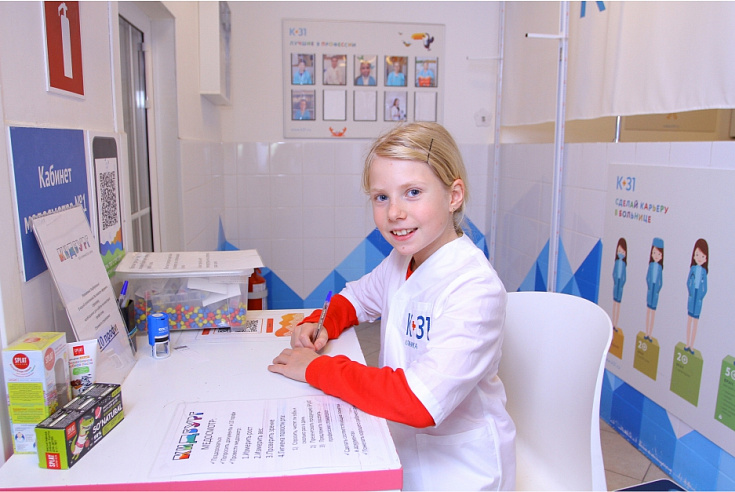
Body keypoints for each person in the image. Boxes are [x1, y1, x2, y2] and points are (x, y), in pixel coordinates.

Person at [268, 122, 516, 491]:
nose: (394, 212)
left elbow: (418, 401)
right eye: (381, 197)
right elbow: (355, 298)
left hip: (461, 471)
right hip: (399, 445)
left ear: (454, 195)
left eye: (413, 192)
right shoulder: (402, 259)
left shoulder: (474, 289)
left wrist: (317, 368)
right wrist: (321, 324)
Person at [685, 238, 708, 354]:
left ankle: (692, 346)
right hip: (692, 296)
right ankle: (687, 344)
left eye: (702, 256)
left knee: (695, 322)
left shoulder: (704, 272)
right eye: (697, 254)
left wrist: (700, 297)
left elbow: (705, 287)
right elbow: (688, 281)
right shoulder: (693, 269)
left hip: (698, 298)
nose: (699, 258)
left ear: (706, 258)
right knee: (689, 321)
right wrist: (691, 292)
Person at [644, 237, 664, 342]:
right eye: (654, 253)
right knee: (648, 312)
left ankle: (650, 334)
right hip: (650, 290)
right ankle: (647, 332)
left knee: (653, 313)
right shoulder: (651, 265)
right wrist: (649, 286)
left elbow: (660, 281)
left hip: (655, 292)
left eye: (659, 254)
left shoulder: (660, 268)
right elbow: (648, 277)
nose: (656, 256)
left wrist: (657, 290)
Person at [611, 237, 627, 332]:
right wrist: (616, 282)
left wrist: (621, 284)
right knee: (614, 304)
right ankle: (613, 323)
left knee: (618, 305)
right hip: (616, 285)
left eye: (622, 251)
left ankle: (616, 324)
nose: (621, 253)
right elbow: (614, 273)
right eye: (619, 251)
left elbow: (624, 276)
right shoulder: (617, 262)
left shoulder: (624, 265)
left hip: (620, 287)